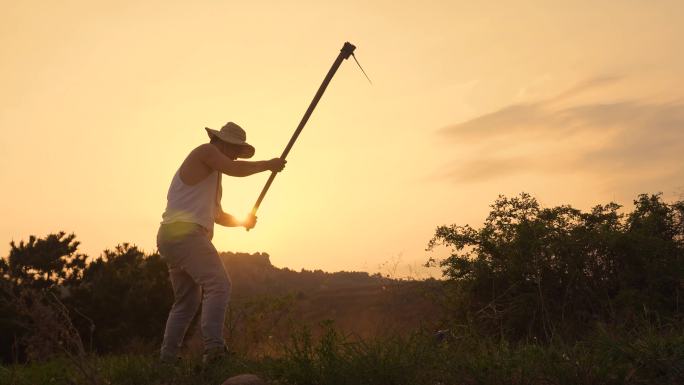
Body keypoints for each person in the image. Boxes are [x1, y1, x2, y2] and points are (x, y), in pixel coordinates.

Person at [156, 122, 286, 364]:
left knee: (187, 301)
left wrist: (240, 221)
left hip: (174, 237)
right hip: (185, 235)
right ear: (221, 141)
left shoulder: (212, 175)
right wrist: (268, 165)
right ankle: (214, 350)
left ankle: (167, 359)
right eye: (235, 148)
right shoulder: (204, 152)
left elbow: (217, 214)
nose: (236, 154)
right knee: (219, 284)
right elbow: (235, 169)